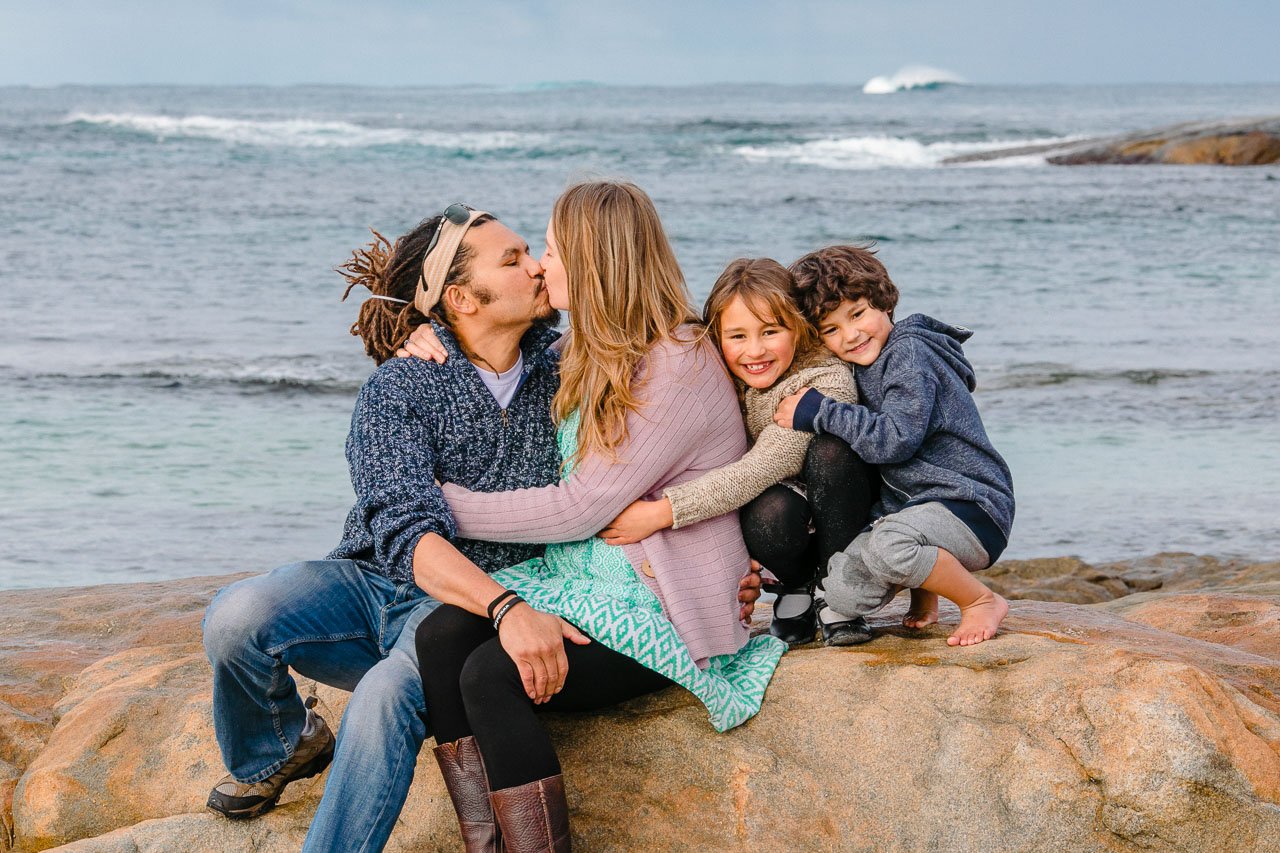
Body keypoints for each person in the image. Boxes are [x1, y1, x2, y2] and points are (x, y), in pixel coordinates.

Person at [412, 181, 788, 852]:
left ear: (592, 260)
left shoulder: (678, 360)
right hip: (588, 579)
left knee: (491, 673)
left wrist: (436, 504)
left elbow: (579, 506)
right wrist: (420, 334)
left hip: (660, 606)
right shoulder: (584, 348)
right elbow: (480, 345)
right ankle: (485, 842)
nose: (538, 266)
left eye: (550, 251)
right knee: (442, 637)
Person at [599, 257, 879, 646]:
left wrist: (662, 513)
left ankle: (839, 593)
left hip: (842, 508)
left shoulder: (825, 379)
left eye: (770, 331)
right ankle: (796, 584)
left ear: (798, 328)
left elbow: (761, 468)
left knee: (832, 452)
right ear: (717, 337)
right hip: (785, 511)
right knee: (768, 513)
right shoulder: (716, 376)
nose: (755, 351)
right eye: (737, 336)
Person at [773, 245, 1015, 647]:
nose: (850, 335)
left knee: (891, 545)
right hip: (919, 511)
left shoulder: (909, 352)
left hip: (970, 505)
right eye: (830, 330)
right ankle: (926, 591)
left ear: (885, 303)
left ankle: (979, 601)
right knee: (840, 593)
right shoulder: (864, 365)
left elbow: (895, 440)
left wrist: (818, 410)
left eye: (858, 314)